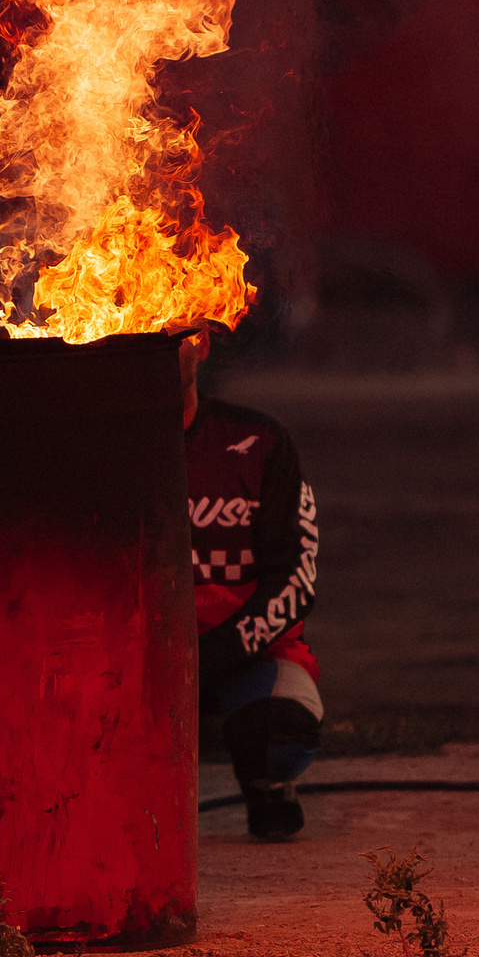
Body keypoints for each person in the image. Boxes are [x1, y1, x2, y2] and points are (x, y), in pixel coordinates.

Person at [180, 323, 322, 840]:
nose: (153, 344)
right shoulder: (98, 449)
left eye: (170, 333)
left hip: (247, 652)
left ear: (201, 344)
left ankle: (268, 784)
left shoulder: (260, 440)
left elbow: (296, 577)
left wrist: (214, 653)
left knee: (277, 735)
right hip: (132, 656)